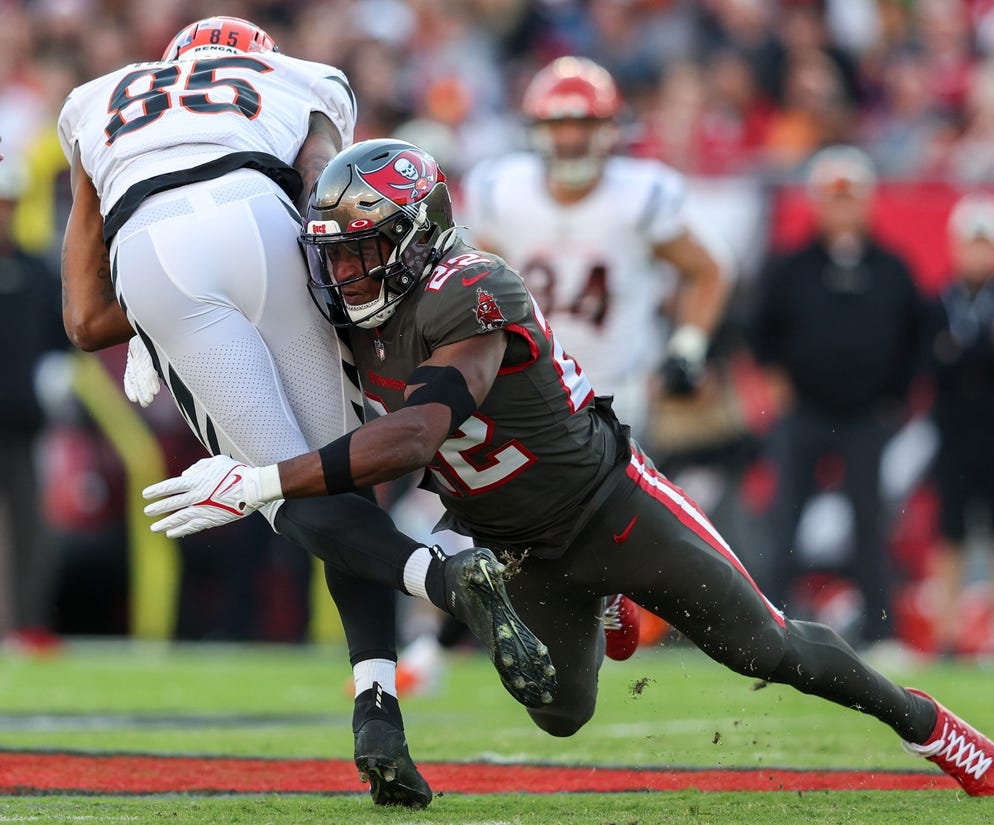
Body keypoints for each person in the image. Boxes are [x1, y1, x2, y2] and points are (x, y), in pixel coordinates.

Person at [143, 138, 994, 798]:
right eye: (332, 252)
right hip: (513, 546)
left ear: (417, 237)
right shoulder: (342, 315)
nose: (343, 271)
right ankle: (604, 602)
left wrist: (261, 480)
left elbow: (415, 437)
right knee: (561, 712)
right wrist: (155, 332)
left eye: (361, 250)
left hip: (608, 501)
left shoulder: (474, 287)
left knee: (766, 646)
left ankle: (927, 725)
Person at [55, 16, 554, 809]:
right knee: (334, 475)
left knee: (288, 492)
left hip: (150, 250)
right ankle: (378, 710)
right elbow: (331, 198)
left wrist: (158, 327)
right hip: (264, 221)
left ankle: (446, 585)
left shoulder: (92, 99)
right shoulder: (302, 78)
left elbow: (84, 319)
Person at [393, 54, 731, 689]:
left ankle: (647, 609)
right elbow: (464, 282)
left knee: (591, 536)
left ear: (608, 128)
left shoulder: (642, 193)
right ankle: (437, 650)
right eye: (559, 125)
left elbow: (708, 270)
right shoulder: (503, 188)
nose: (571, 138)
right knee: (492, 525)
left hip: (614, 397)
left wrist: (688, 344)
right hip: (526, 391)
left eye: (583, 124)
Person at [748, 144, 923, 648]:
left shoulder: (892, 268)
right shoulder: (791, 267)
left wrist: (894, 398)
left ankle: (879, 632)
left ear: (867, 202)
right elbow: (761, 332)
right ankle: (766, 630)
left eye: (850, 198)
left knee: (871, 522)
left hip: (866, 416)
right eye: (832, 197)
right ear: (816, 202)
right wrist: (777, 382)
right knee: (786, 520)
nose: (842, 208)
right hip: (804, 411)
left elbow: (915, 338)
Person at [925, 192, 994, 658]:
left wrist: (963, 351)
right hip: (953, 434)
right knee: (949, 532)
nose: (978, 254)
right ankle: (946, 632)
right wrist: (986, 347)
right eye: (972, 243)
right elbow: (934, 361)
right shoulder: (937, 302)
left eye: (987, 244)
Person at [0, 159, 69, 643]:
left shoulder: (34, 270)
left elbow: (59, 342)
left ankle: (29, 623)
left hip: (21, 422)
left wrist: (54, 381)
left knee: (31, 528)